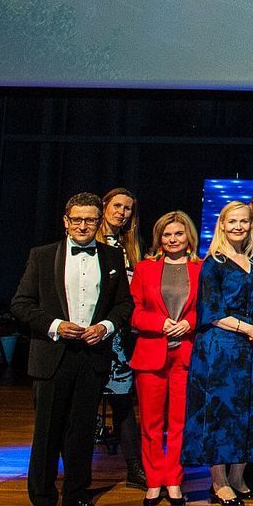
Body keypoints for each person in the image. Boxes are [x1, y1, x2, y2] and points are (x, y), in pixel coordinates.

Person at [11, 192, 134, 506]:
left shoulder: (111, 256)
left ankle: (77, 496)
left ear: (99, 222)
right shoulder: (42, 256)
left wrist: (106, 327)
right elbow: (20, 304)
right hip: (52, 355)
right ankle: (44, 502)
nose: (83, 225)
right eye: (77, 219)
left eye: (90, 220)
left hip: (92, 356)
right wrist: (55, 325)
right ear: (66, 221)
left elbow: (124, 305)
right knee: (47, 433)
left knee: (81, 432)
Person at [182, 201, 253, 506]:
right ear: (222, 224)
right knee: (219, 413)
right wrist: (248, 328)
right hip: (219, 348)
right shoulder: (214, 263)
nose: (239, 226)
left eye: (244, 221)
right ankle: (219, 482)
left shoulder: (251, 261)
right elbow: (211, 312)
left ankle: (238, 477)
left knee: (246, 411)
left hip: (249, 349)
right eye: (232, 221)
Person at [129, 210, 200, 506]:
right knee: (151, 423)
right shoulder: (144, 269)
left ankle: (173, 479)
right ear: (159, 238)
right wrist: (159, 323)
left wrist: (189, 322)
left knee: (180, 422)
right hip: (151, 353)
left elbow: (207, 308)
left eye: (178, 234)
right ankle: (153, 480)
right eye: (167, 234)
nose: (172, 239)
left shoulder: (201, 268)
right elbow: (134, 312)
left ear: (188, 237)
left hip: (185, 354)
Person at [97, 187, 143, 490]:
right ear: (104, 207)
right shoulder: (90, 242)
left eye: (127, 208)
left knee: (124, 403)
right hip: (92, 331)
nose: (121, 213)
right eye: (117, 206)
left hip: (122, 334)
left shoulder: (132, 246)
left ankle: (135, 469)